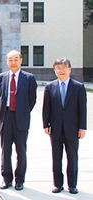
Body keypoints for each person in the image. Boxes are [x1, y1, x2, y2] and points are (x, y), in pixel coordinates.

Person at [0, 50, 37, 190]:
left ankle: (20, 179)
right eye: (10, 59)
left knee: (21, 150)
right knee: (5, 150)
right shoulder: (0, 78)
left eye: (16, 59)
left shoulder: (29, 78)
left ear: (21, 60)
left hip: (21, 118)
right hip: (6, 117)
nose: (13, 62)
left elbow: (32, 99)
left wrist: (22, 111)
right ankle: (6, 179)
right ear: (6, 61)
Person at [42, 58, 86, 194]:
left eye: (64, 68)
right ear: (55, 71)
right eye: (58, 68)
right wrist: (46, 124)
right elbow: (46, 108)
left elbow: (82, 109)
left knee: (72, 157)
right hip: (55, 129)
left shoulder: (78, 87)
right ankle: (57, 184)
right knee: (56, 158)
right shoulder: (50, 87)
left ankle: (72, 185)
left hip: (72, 129)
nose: (61, 70)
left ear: (70, 70)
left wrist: (82, 127)